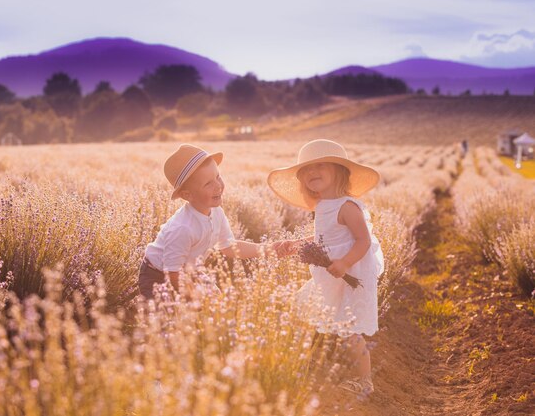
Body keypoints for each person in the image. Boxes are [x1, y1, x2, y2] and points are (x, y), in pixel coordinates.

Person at [267, 139, 384, 396]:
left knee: (349, 330)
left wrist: (345, 263)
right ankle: (303, 360)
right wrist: (298, 243)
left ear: (338, 171)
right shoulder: (324, 206)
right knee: (304, 307)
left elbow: (363, 240)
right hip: (332, 276)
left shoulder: (347, 207)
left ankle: (365, 381)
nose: (312, 172)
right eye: (306, 170)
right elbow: (324, 238)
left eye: (320, 166)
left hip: (349, 274)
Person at [139, 143, 285, 300]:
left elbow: (229, 246)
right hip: (158, 275)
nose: (218, 186)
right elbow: (173, 273)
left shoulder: (216, 213)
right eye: (208, 183)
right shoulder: (183, 228)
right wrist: (195, 297)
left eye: (218, 177)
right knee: (172, 317)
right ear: (187, 195)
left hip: (188, 269)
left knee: (215, 297)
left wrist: (266, 249)